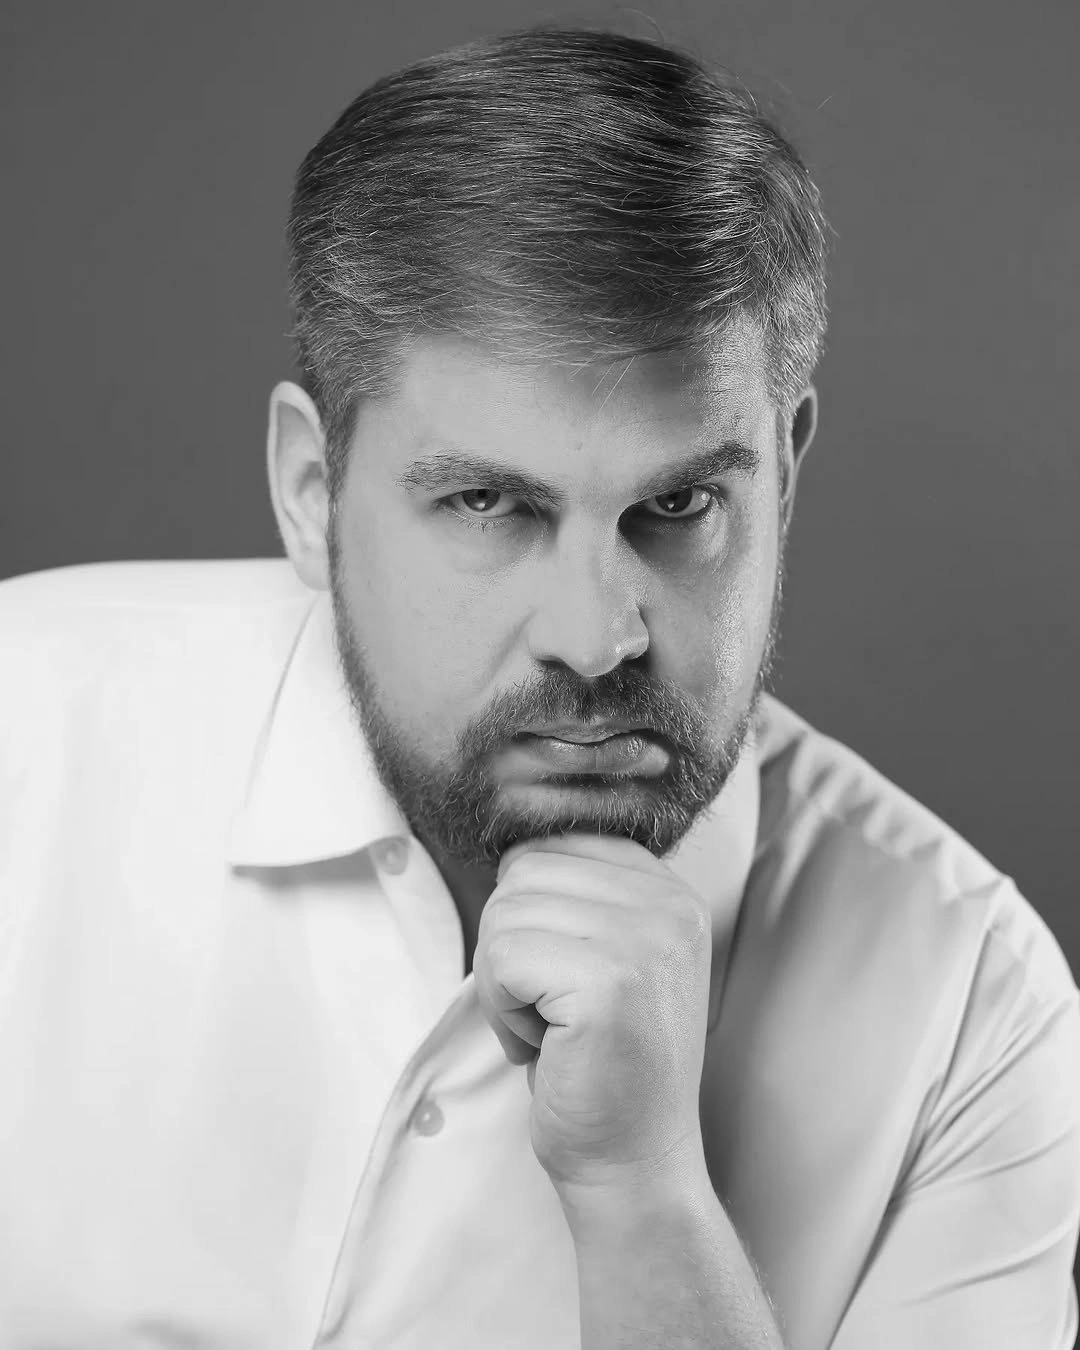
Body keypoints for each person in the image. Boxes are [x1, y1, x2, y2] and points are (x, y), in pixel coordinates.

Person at [0, 23, 1076, 1350]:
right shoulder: (22, 744)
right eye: (486, 505)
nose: (597, 637)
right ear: (312, 492)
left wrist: (643, 1195)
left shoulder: (973, 1012)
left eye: (678, 505)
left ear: (784, 472)